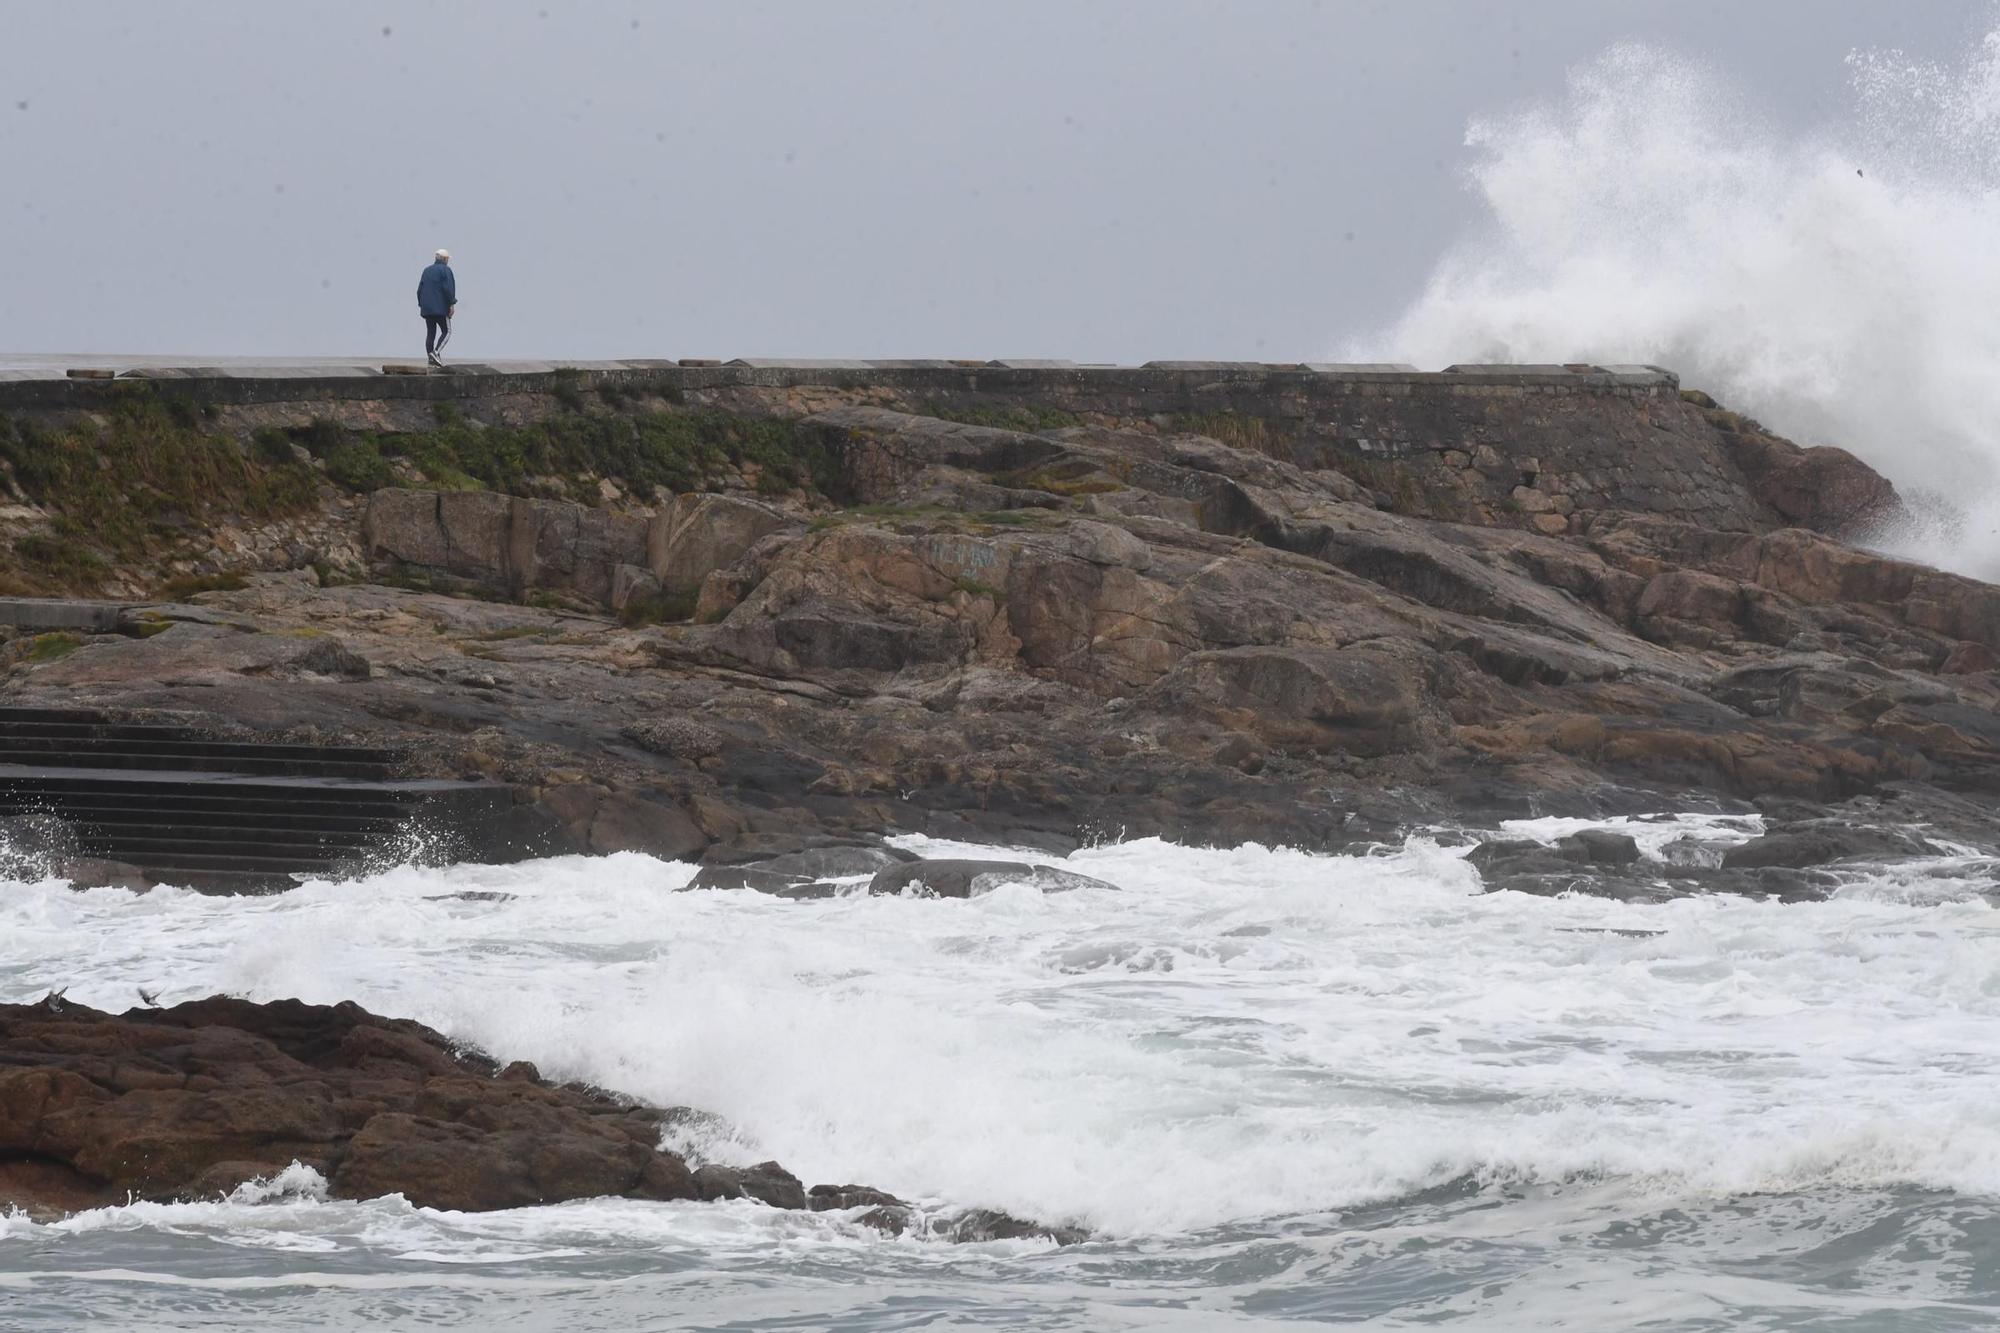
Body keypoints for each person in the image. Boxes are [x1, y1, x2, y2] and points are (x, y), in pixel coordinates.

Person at [417, 248, 457, 366]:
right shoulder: (445, 270)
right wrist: (451, 304)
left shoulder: (426, 271)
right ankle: (435, 353)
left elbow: (419, 290)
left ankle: (431, 360)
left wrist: (421, 304)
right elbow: (448, 288)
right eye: (447, 259)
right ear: (445, 259)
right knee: (447, 331)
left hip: (427, 309)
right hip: (440, 309)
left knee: (431, 333)